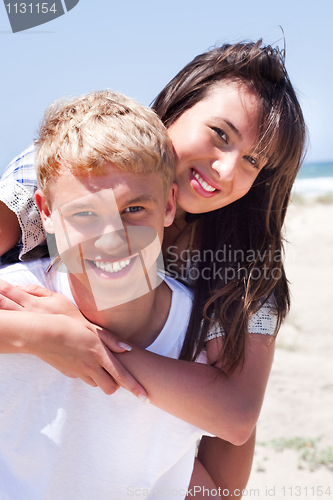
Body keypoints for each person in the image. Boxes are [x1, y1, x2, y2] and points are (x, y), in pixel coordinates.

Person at [0, 40, 306, 497]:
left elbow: (237, 416)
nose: (223, 169)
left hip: (160, 434)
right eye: (220, 134)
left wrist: (90, 342)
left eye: (251, 161)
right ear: (179, 106)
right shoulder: (78, 161)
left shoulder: (246, 264)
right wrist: (44, 335)